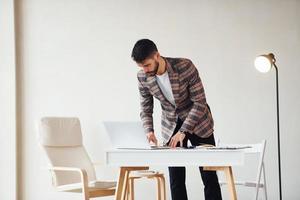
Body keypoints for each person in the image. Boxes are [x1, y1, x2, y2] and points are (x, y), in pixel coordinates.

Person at [131, 39, 222, 200]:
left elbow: (200, 102)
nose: (145, 70)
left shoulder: (185, 66)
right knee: (176, 179)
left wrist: (183, 131)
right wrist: (149, 131)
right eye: (141, 67)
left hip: (199, 121)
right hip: (170, 123)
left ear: (157, 56)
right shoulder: (143, 77)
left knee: (209, 176)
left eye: (147, 65)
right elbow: (146, 108)